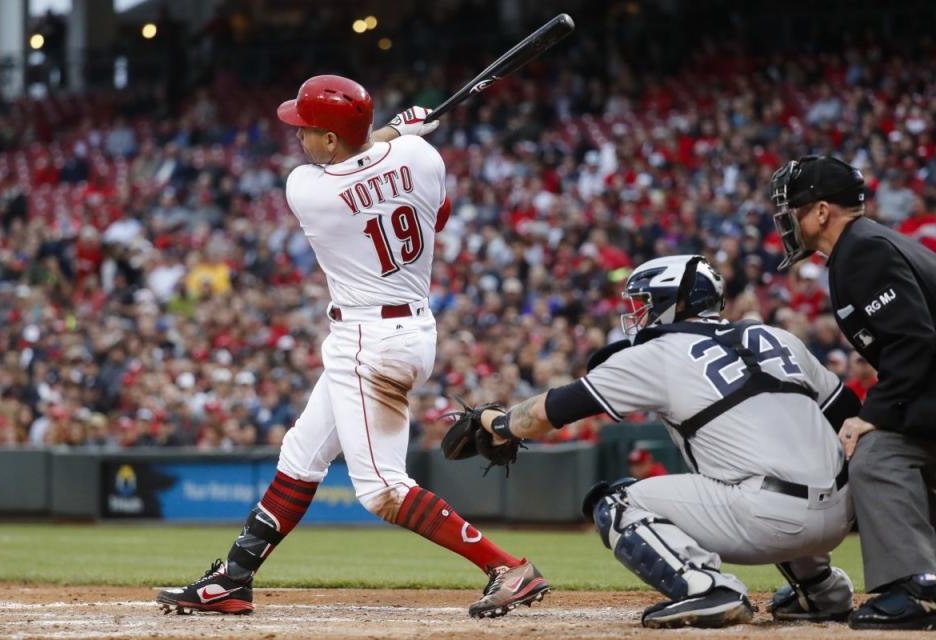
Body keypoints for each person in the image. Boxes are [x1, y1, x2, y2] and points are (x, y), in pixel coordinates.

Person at [156, 75, 549, 618]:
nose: (299, 138)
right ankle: (233, 579)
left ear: (333, 141)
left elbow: (360, 160)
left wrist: (393, 130)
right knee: (301, 455)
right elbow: (437, 217)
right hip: (404, 328)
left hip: (371, 342)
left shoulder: (308, 189)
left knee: (381, 489)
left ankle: (507, 567)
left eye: (309, 130)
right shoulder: (421, 155)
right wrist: (398, 139)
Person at [465, 255, 859, 628]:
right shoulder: (775, 335)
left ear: (674, 301)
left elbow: (545, 413)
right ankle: (822, 589)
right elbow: (848, 413)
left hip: (771, 520)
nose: (638, 313)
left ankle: (708, 589)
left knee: (615, 503)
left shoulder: (659, 353)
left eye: (645, 302)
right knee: (781, 467)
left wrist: (498, 424)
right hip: (841, 514)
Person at [770, 154, 936, 630]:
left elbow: (913, 341)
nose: (788, 221)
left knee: (879, 453)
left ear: (822, 211)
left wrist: (874, 415)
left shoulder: (863, 250)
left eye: (793, 210)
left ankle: (913, 590)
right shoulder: (868, 244)